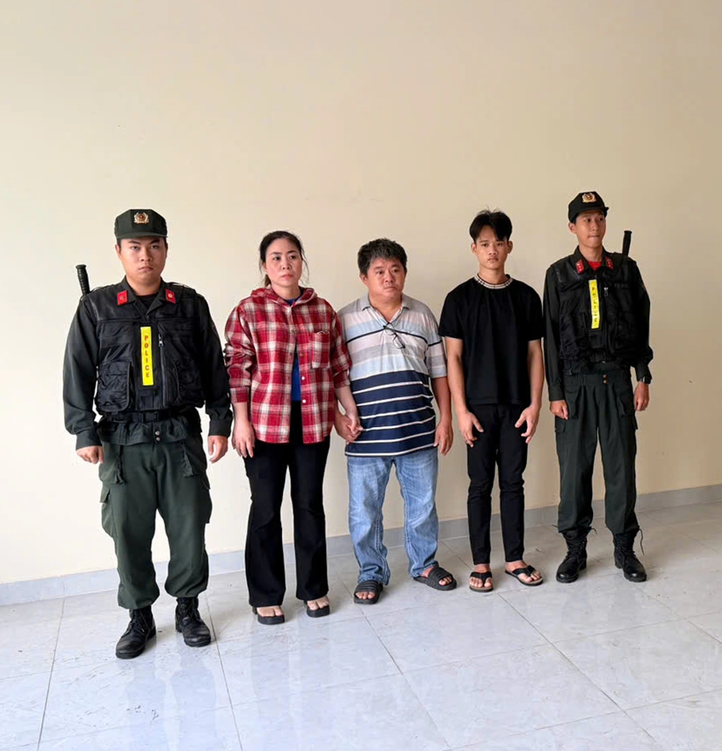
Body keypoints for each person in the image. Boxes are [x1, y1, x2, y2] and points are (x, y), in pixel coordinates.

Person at [63, 210, 232, 659]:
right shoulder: (97, 307)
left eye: (154, 245)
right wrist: (83, 431)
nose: (145, 255)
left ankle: (188, 609)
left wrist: (220, 422)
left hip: (179, 437)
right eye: (135, 247)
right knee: (128, 533)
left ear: (166, 250)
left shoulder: (189, 304)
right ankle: (139, 616)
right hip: (122, 441)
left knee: (189, 528)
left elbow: (214, 365)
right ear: (119, 252)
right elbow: (77, 371)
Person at [224, 231, 361, 625]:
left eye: (292, 256)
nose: (285, 264)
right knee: (265, 509)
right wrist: (241, 422)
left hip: (313, 422)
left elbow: (338, 369)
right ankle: (266, 594)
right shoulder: (248, 310)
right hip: (264, 426)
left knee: (310, 506)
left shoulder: (322, 310)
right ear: (264, 266)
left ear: (302, 261)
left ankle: (314, 588)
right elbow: (237, 371)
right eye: (276, 258)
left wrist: (347, 412)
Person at [336, 239, 457, 604]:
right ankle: (371, 572)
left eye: (395, 270)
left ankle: (424, 564)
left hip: (418, 431)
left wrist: (446, 419)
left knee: (422, 506)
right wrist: (339, 418)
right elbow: (333, 375)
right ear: (364, 277)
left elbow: (439, 372)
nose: (388, 277)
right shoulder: (344, 319)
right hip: (366, 437)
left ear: (404, 272)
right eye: (379, 271)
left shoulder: (423, 315)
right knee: (364, 513)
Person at [543, 191, 653, 584]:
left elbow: (641, 324)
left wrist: (642, 376)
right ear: (572, 227)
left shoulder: (625, 269)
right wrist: (555, 393)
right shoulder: (559, 274)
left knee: (622, 468)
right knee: (574, 471)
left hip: (617, 381)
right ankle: (575, 550)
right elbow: (550, 337)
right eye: (586, 219)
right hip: (575, 387)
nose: (594, 225)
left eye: (600, 218)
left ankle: (625, 548)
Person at [440, 210, 545, 592]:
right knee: (480, 485)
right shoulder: (459, 299)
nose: (492, 250)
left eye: (499, 242)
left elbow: (535, 354)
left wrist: (535, 405)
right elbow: (452, 358)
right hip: (477, 409)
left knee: (514, 483)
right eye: (484, 243)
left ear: (509, 246)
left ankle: (515, 558)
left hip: (517, 405)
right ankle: (481, 562)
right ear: (474, 248)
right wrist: (461, 411)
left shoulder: (527, 297)